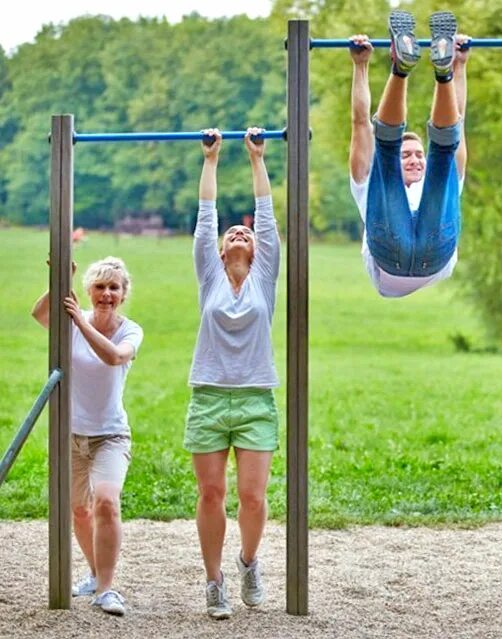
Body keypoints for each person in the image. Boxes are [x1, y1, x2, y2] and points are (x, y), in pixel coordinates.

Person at [184, 128, 280, 619]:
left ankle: (247, 562)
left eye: (246, 233)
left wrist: (257, 157)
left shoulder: (265, 277)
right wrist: (212, 158)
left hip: (255, 398)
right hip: (208, 396)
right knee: (212, 493)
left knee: (253, 497)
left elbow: (265, 217)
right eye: (232, 234)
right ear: (220, 253)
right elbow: (206, 221)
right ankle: (213, 581)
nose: (239, 234)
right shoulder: (210, 277)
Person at [31, 257, 144, 617]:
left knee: (106, 502)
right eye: (100, 287)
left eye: (114, 288)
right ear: (88, 291)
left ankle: (108, 590)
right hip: (71, 434)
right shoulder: (70, 323)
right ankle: (95, 575)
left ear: (124, 294)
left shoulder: (130, 331)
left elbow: (114, 357)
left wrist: (80, 320)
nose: (106, 294)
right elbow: (40, 314)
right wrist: (60, 277)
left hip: (110, 435)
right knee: (78, 510)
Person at [348, 9, 470, 297]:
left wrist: (459, 65)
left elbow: (459, 117)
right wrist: (359, 66)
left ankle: (419, 71)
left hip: (419, 249)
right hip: (402, 250)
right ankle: (434, 72)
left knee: (440, 157)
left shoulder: (439, 185)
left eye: (417, 154)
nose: (415, 159)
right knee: (432, 151)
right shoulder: (367, 184)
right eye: (408, 156)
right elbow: (360, 122)